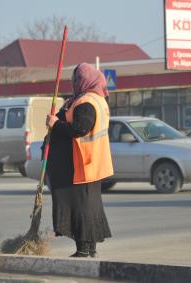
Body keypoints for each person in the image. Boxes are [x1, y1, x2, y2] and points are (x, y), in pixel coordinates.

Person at [45, 62, 114, 257]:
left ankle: (84, 249)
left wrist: (56, 124)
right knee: (88, 207)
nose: (73, 82)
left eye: (76, 79)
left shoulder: (86, 103)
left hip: (82, 163)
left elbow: (80, 129)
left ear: (84, 81)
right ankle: (89, 249)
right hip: (90, 163)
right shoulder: (94, 99)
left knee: (80, 208)